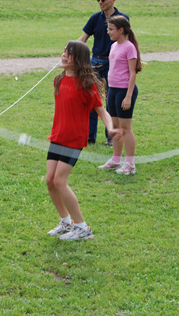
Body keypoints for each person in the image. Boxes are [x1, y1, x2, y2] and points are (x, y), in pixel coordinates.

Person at [46, 41, 121, 240]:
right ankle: (65, 222)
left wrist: (111, 128)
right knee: (50, 181)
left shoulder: (86, 85)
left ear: (78, 59)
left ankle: (82, 227)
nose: (63, 55)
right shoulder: (58, 79)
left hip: (74, 139)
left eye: (68, 54)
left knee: (60, 181)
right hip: (57, 137)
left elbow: (101, 111)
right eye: (63, 51)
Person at [78, 0, 129, 146]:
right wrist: (72, 51)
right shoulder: (95, 18)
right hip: (95, 62)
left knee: (110, 100)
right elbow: (83, 38)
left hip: (114, 64)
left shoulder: (122, 19)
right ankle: (90, 136)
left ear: (113, 0)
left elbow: (128, 42)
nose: (100, 3)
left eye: (103, 0)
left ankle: (110, 136)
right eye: (98, 0)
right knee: (91, 98)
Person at [98, 15, 143, 175]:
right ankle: (116, 160)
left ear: (121, 30)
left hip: (124, 91)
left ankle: (130, 164)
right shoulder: (114, 46)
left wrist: (128, 96)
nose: (108, 32)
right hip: (113, 90)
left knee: (125, 128)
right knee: (115, 128)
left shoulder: (129, 47)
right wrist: (106, 89)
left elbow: (132, 73)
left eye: (111, 29)